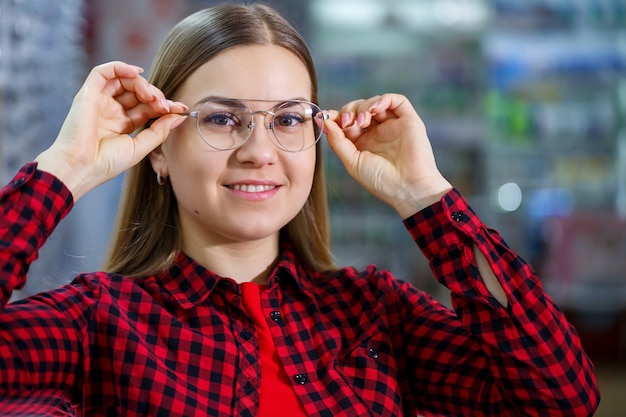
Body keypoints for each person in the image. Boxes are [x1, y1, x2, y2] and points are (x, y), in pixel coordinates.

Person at [0, 3, 600, 417]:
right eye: (221, 118)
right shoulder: (100, 322)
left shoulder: (374, 312)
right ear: (158, 149)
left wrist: (425, 198)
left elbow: (558, 396)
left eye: (288, 119)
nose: (259, 151)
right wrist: (65, 170)